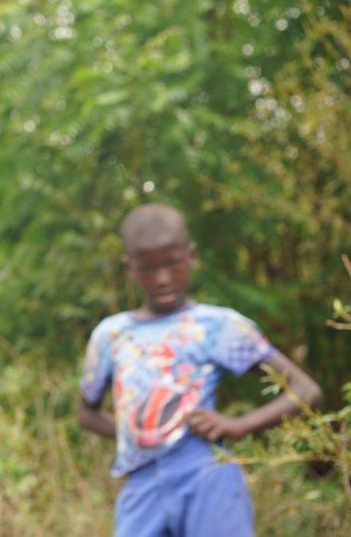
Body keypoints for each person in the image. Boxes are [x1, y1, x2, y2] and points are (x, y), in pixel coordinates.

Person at [77, 203, 322, 537]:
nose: (162, 278)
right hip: (142, 481)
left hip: (206, 474)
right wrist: (141, 435)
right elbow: (86, 414)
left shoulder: (218, 326)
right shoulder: (111, 335)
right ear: (129, 268)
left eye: (173, 263)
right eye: (147, 268)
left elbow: (305, 390)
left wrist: (238, 425)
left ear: (190, 256)